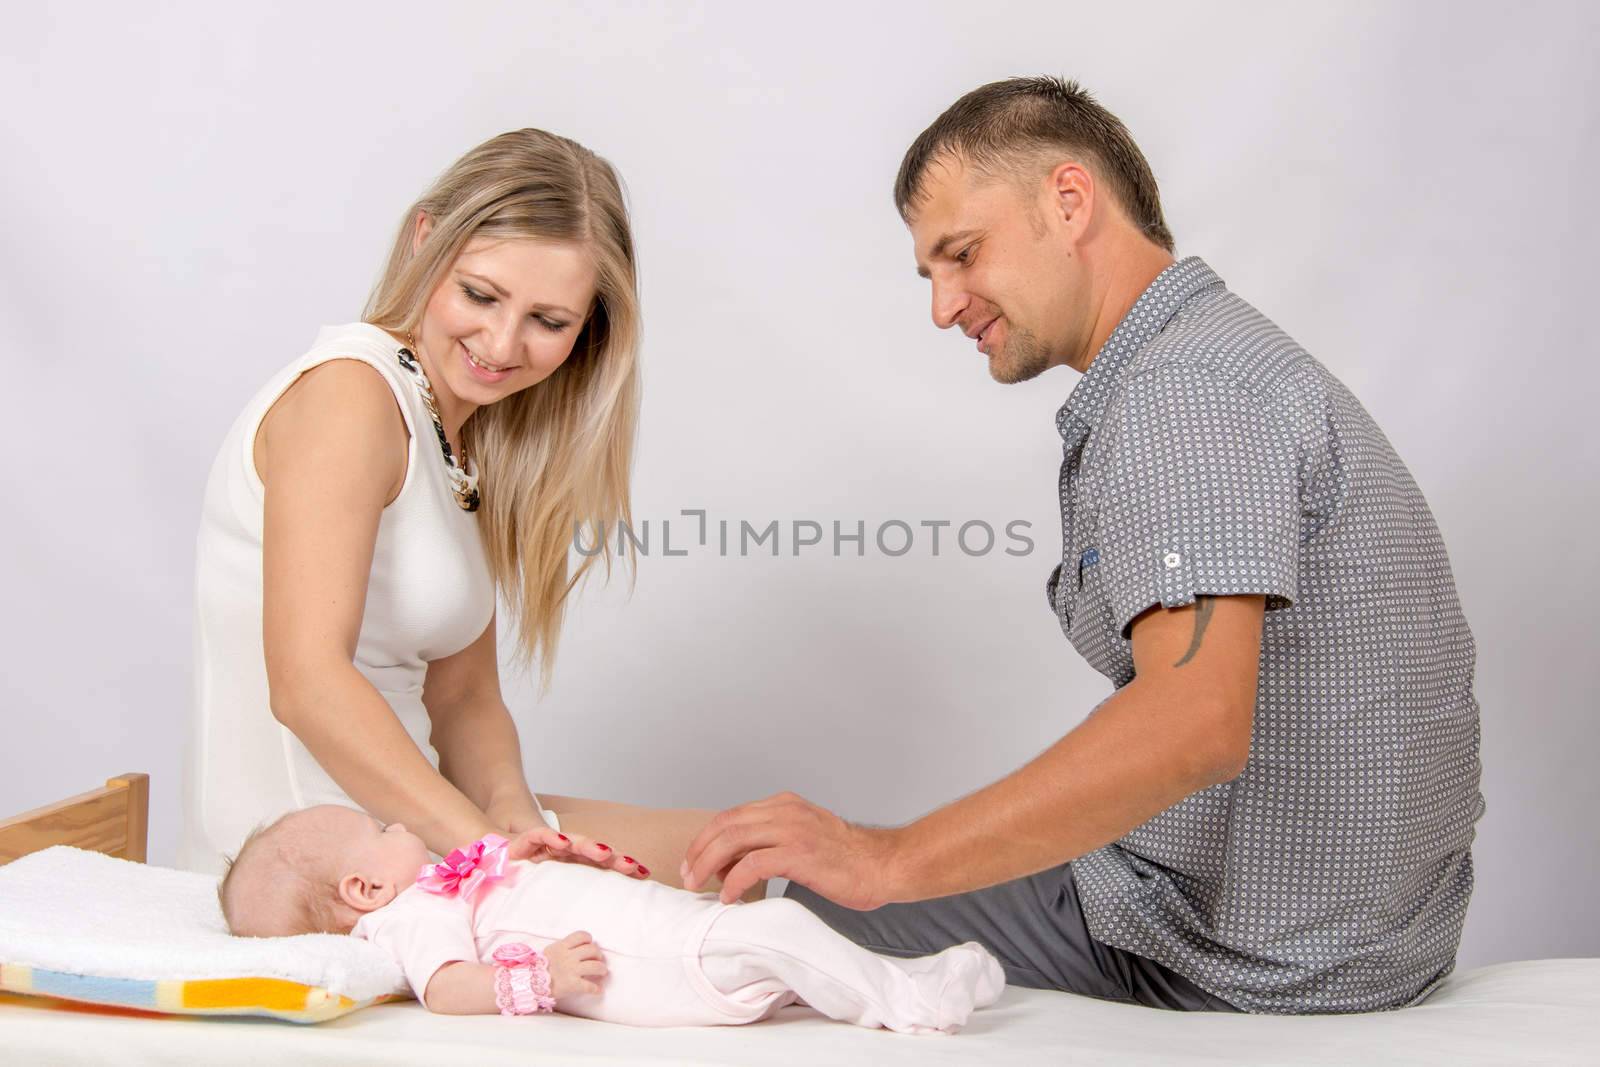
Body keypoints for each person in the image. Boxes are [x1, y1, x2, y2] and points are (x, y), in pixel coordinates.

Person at [680, 77, 1485, 1015]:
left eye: (963, 253)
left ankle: (512, 846)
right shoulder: (1213, 360)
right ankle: (513, 831)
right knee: (784, 863)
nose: (944, 306)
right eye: (930, 274)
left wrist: (885, 859)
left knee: (775, 906)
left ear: (1069, 201)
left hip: (1242, 956)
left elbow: (1193, 721)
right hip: (1359, 943)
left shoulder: (1184, 393)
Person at [180, 128, 720, 892]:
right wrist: (486, 854)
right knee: (742, 880)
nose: (502, 343)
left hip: (418, 830)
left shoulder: (454, 436)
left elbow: (464, 697)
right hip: (315, 868)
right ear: (425, 240)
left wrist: (514, 814)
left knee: (748, 852)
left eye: (550, 321)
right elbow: (305, 681)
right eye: (480, 294)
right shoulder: (351, 397)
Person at [217, 805, 1005, 1034]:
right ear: (361, 887)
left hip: (658, 929)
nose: (396, 827)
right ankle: (913, 1002)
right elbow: (449, 987)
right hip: (648, 960)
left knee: (781, 958)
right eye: (377, 829)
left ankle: (905, 977)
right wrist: (540, 978)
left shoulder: (432, 886)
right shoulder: (404, 920)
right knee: (784, 932)